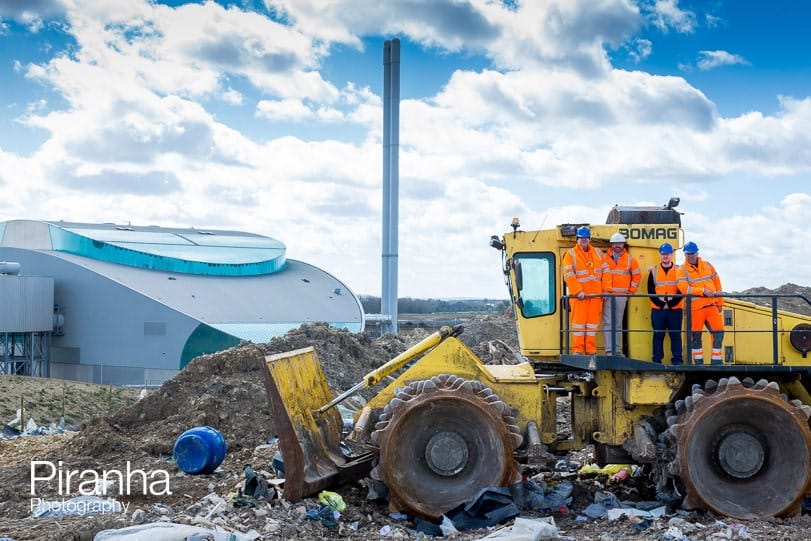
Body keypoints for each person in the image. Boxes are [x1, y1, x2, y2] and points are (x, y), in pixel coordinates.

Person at [676, 241, 724, 364]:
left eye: (693, 253)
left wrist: (720, 303)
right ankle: (698, 363)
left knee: (719, 332)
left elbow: (717, 284)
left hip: (712, 305)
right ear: (684, 255)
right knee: (695, 336)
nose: (691, 256)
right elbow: (684, 288)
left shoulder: (708, 265)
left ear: (697, 253)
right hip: (695, 308)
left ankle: (716, 361)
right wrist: (702, 291)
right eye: (688, 254)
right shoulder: (681, 270)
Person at [562, 226, 604, 355]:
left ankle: (591, 350)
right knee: (578, 325)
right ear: (577, 239)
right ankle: (578, 350)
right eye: (581, 238)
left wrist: (605, 291)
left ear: (589, 239)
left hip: (596, 297)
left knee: (592, 326)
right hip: (579, 297)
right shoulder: (570, 255)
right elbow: (569, 275)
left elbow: (606, 272)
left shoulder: (598, 253)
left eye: (586, 238)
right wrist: (578, 291)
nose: (584, 240)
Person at [601, 232, 640, 356]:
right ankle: (609, 350)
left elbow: (637, 276)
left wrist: (630, 291)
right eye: (615, 243)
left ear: (623, 244)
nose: (617, 245)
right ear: (611, 245)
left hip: (621, 296)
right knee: (608, 323)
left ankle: (616, 350)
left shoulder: (630, 259)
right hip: (607, 295)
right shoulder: (603, 257)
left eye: (620, 243)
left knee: (617, 323)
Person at [648, 242, 683, 365]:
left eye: (668, 254)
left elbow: (681, 290)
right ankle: (657, 361)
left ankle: (677, 360)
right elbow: (651, 291)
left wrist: (671, 304)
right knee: (658, 335)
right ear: (660, 255)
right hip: (658, 310)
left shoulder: (679, 270)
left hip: (675, 309)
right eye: (663, 254)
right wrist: (662, 304)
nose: (665, 256)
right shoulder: (654, 271)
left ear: (672, 254)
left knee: (675, 335)